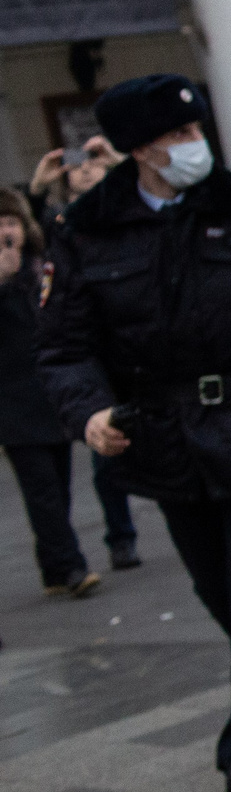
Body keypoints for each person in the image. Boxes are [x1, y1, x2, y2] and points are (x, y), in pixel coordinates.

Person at [36, 74, 231, 792]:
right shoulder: (87, 229)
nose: (196, 146)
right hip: (162, 437)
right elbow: (64, 345)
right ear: (141, 149)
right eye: (180, 136)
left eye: (197, 131)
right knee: (215, 588)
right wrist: (89, 413)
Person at [28, 137, 141, 571]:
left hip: (133, 345)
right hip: (92, 355)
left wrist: (123, 164)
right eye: (78, 166)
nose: (86, 169)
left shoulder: (122, 209)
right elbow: (30, 237)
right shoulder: (59, 221)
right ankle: (121, 535)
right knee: (106, 452)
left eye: (93, 163)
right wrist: (37, 189)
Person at [0, 188, 94, 598]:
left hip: (50, 395)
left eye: (11, 222)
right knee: (42, 490)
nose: (6, 231)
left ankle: (53, 567)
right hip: (12, 403)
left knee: (58, 486)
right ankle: (71, 566)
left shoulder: (39, 267)